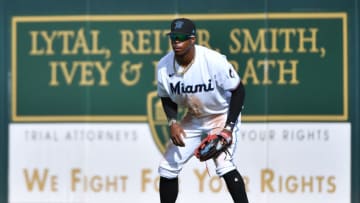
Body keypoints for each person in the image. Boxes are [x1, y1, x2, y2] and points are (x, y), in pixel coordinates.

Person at [156, 18, 248, 203]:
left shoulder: (212, 60)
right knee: (167, 167)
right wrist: (173, 122)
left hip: (221, 114)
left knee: (223, 163)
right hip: (194, 118)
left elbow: (238, 90)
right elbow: (165, 97)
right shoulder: (164, 66)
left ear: (192, 39)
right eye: (173, 37)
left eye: (181, 37)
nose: (176, 42)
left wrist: (228, 129)